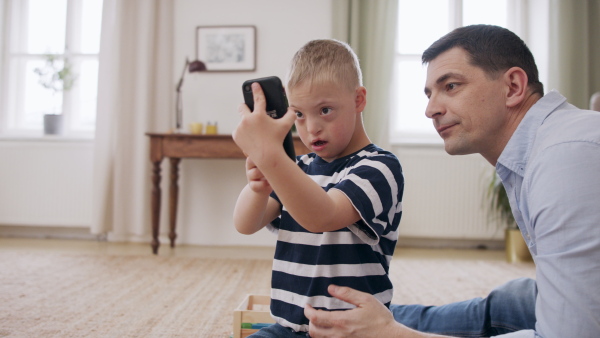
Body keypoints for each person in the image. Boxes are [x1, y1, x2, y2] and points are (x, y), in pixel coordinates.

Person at [305, 25, 600, 338]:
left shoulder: (565, 159)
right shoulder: (550, 143)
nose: (431, 109)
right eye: (430, 93)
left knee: (390, 329)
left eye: (451, 86)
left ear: (513, 86)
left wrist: (394, 336)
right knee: (512, 301)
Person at [232, 39, 405, 337]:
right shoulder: (296, 168)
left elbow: (323, 216)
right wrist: (258, 188)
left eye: (325, 110)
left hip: (355, 330)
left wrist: (271, 158)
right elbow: (245, 225)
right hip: (287, 327)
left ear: (358, 100)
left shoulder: (380, 167)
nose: (311, 127)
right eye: (298, 114)